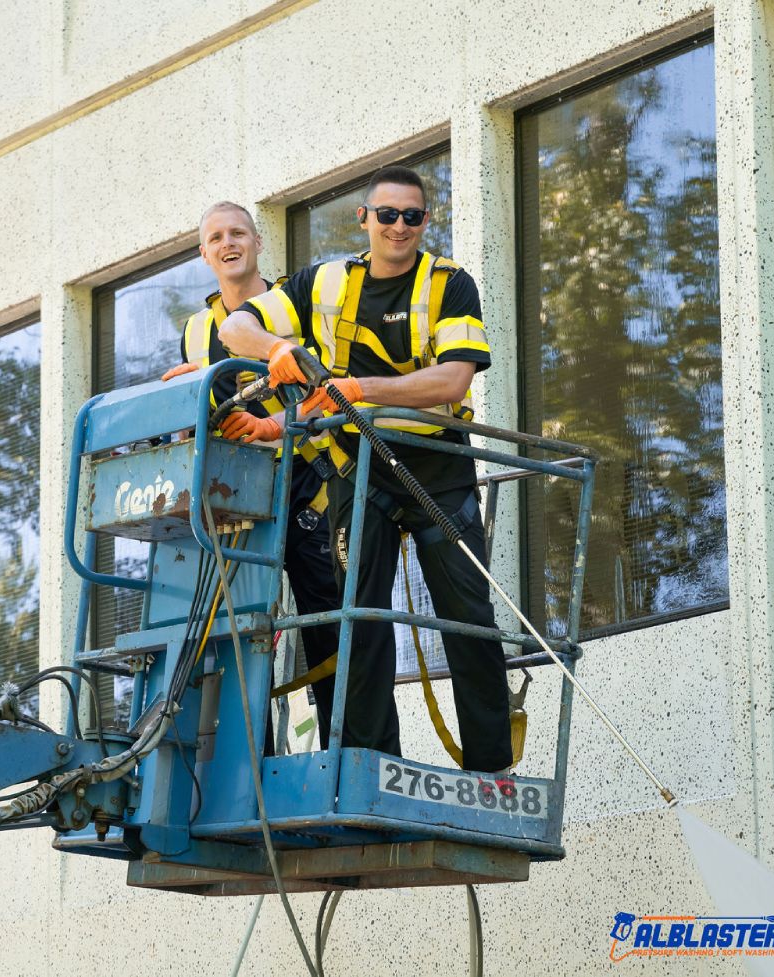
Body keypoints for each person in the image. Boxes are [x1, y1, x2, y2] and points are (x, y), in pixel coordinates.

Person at [217, 169, 512, 773]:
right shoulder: (321, 282)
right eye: (387, 215)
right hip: (360, 471)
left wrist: (358, 387)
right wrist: (274, 348)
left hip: (438, 469)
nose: (399, 227)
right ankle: (368, 764)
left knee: (470, 619)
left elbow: (453, 379)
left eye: (413, 217)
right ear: (363, 219)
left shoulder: (450, 285)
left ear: (425, 222)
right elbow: (234, 325)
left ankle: (492, 769)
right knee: (362, 619)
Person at [161, 200, 339, 748]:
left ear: (259, 242)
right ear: (204, 253)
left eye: (238, 232)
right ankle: (252, 761)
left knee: (328, 617)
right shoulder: (196, 331)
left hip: (310, 480)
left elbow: (328, 385)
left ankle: (350, 746)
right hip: (239, 497)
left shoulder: (295, 307)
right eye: (216, 237)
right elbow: (190, 422)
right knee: (243, 627)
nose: (228, 243)